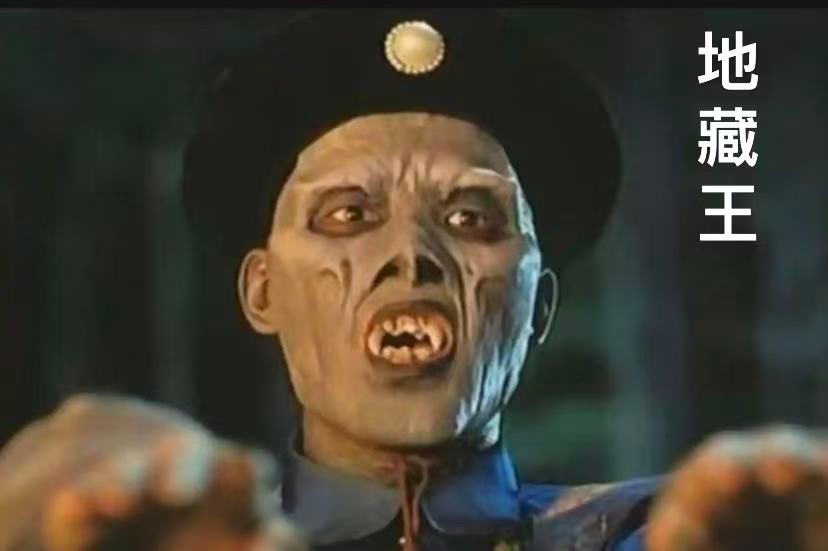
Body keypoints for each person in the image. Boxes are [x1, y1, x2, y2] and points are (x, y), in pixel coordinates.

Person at [1, 9, 826, 551]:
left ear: (537, 305)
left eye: (471, 216)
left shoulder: (657, 530)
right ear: (263, 291)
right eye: (347, 214)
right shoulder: (174, 530)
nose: (411, 254)